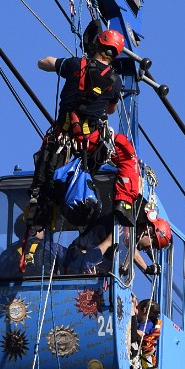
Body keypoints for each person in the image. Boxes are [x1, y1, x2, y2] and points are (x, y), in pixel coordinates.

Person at [28, 28, 141, 229]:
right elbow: (111, 110)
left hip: (60, 137)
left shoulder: (75, 65)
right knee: (126, 153)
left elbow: (44, 62)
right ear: (115, 54)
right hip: (91, 141)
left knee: (47, 166)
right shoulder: (114, 82)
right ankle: (123, 203)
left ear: (98, 44)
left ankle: (39, 201)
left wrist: (52, 65)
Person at [0, 216, 65, 278]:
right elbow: (71, 259)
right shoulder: (50, 247)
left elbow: (0, 274)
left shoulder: (6, 254)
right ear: (32, 230)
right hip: (49, 288)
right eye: (40, 226)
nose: (44, 230)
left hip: (12, 291)